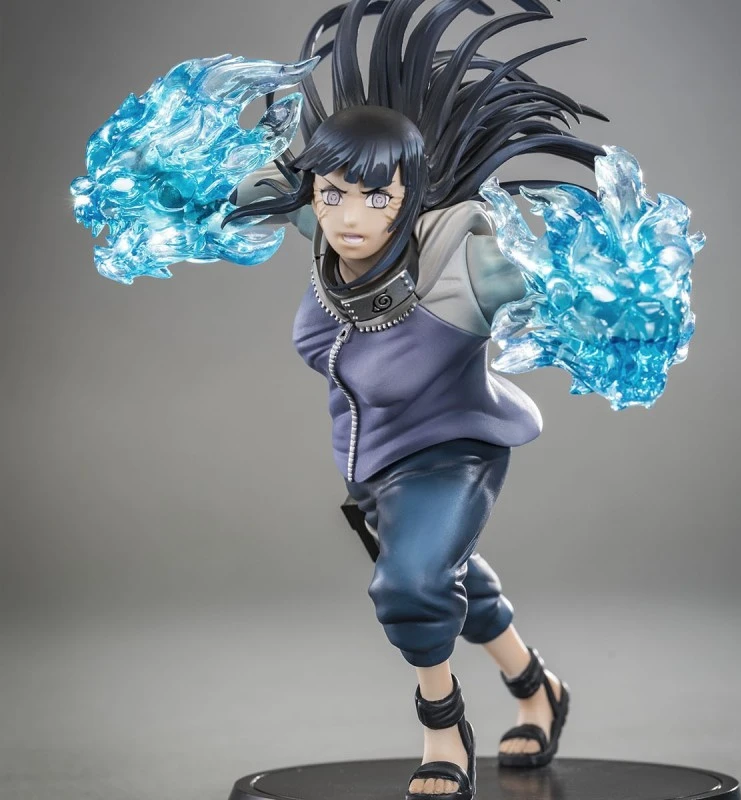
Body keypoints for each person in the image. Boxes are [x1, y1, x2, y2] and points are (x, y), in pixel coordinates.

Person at [225, 1, 607, 798]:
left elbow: (557, 286)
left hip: (454, 447)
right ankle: (539, 688)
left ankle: (444, 732)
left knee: (411, 587)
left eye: (377, 198)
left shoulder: (464, 264)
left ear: (410, 193)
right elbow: (252, 191)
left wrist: (605, 289)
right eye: (333, 193)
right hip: (371, 463)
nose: (350, 217)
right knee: (453, 585)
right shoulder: (324, 231)